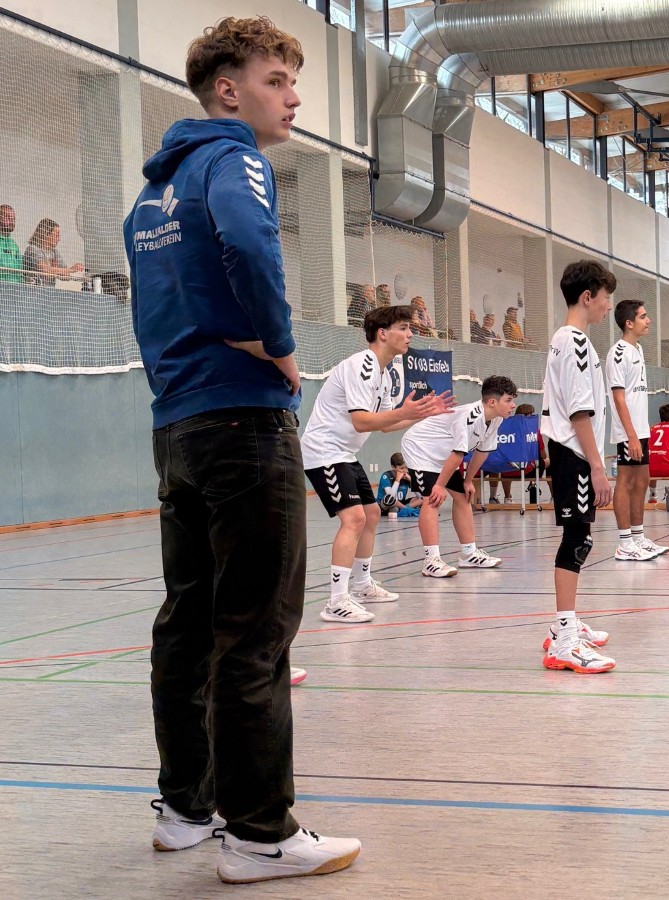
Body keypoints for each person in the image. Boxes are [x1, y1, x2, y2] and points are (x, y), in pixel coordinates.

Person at [125, 15, 361, 884]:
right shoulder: (234, 161)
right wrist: (281, 346)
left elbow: (152, 309)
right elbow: (251, 243)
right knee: (255, 631)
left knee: (187, 627)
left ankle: (186, 809)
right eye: (277, 80)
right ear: (229, 91)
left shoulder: (151, 195)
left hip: (177, 428)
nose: (292, 98)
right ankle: (260, 834)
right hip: (241, 422)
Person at [301, 306, 452, 625]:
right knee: (354, 518)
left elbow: (383, 425)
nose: (410, 334)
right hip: (324, 451)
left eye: (410, 328)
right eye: (403, 328)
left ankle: (362, 584)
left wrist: (421, 414)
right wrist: (405, 412)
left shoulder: (387, 373)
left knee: (371, 513)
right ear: (382, 333)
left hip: (344, 453)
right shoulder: (363, 365)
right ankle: (336, 601)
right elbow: (361, 421)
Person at [539, 260, 618, 673]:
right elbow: (579, 412)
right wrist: (598, 467)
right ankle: (564, 642)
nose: (608, 306)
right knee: (577, 539)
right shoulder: (574, 342)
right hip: (574, 452)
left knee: (579, 537)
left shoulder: (566, 339)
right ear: (588, 297)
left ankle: (563, 627)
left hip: (570, 452)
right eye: (606, 298)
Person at [403, 374, 518, 575]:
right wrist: (439, 485)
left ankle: (468, 554)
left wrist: (467, 481)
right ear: (492, 402)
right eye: (508, 400)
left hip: (443, 455)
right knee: (432, 499)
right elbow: (458, 454)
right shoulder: (471, 416)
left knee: (463, 497)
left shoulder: (496, 419)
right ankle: (431, 560)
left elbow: (482, 452)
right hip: (420, 449)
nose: (513, 405)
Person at [608, 298, 666, 561]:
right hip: (627, 431)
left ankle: (638, 537)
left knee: (643, 481)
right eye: (643, 316)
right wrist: (630, 435)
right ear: (629, 323)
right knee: (626, 481)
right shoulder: (618, 353)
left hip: (641, 429)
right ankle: (624, 543)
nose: (648, 320)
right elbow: (619, 398)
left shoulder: (638, 349)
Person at [23, 217, 84, 286]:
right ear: (46, 235)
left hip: (49, 291)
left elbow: (66, 277)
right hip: (32, 290)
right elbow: (45, 270)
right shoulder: (32, 249)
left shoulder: (54, 252)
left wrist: (56, 270)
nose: (59, 239)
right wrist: (71, 269)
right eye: (56, 236)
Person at [376, 452, 421, 516]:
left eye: (406, 468)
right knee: (391, 502)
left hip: (401, 503)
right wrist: (397, 480)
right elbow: (391, 497)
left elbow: (420, 496)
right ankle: (406, 509)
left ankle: (403, 509)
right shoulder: (386, 476)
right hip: (387, 504)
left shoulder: (407, 476)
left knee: (423, 499)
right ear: (393, 467)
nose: (404, 471)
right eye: (401, 468)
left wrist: (411, 480)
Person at [0, 204, 22, 283]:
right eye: (8, 218)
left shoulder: (14, 246)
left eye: (13, 219)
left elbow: (20, 272)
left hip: (14, 288)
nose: (12, 222)